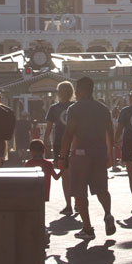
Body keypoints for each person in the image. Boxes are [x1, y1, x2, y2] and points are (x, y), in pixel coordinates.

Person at [58, 77, 115, 241]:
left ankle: (88, 227)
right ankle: (108, 213)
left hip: (81, 153)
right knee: (102, 188)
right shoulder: (103, 108)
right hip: (100, 152)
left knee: (79, 191)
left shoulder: (74, 109)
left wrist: (62, 156)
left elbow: (68, 133)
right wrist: (110, 154)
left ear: (80, 90)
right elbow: (110, 132)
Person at [44, 82, 75, 216]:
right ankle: (79, 201)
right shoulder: (75, 106)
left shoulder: (54, 108)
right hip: (75, 142)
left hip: (59, 143)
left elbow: (49, 127)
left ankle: (69, 205)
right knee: (77, 173)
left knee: (65, 174)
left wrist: (45, 140)